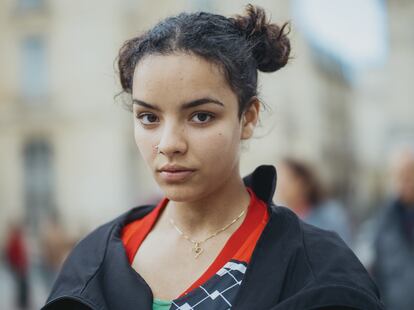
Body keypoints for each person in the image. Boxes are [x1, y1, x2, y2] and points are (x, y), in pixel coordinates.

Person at [43, 5, 384, 310]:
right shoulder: (92, 259)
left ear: (247, 118)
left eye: (201, 116)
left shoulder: (320, 268)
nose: (169, 143)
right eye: (149, 117)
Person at [356, 147, 414, 310]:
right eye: (399, 175)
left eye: (410, 173)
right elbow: (374, 268)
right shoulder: (383, 221)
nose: (405, 180)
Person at [276, 158, 352, 245]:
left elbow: (343, 251)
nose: (281, 186)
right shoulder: (279, 219)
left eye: (287, 180)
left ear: (303, 183)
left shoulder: (331, 216)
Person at [5, 222, 30, 309]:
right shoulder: (14, 240)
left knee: (23, 285)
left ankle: (23, 301)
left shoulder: (18, 239)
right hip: (19, 267)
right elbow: (11, 254)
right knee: (21, 285)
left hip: (21, 266)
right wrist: (16, 265)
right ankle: (22, 303)